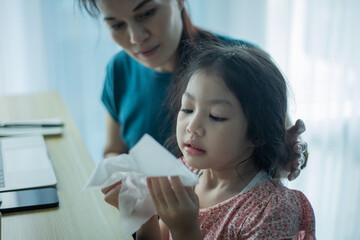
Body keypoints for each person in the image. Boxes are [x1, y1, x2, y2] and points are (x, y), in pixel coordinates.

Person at [77, 0, 307, 180]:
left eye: (147, 13)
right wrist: (121, 177)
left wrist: (291, 157)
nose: (136, 37)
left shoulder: (245, 67)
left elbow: (281, 157)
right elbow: (114, 151)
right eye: (117, 25)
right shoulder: (119, 70)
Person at [139, 44, 315, 239]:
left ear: (257, 134)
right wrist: (142, 213)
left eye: (216, 116)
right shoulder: (184, 173)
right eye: (188, 109)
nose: (192, 126)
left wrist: (185, 230)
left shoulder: (273, 211)